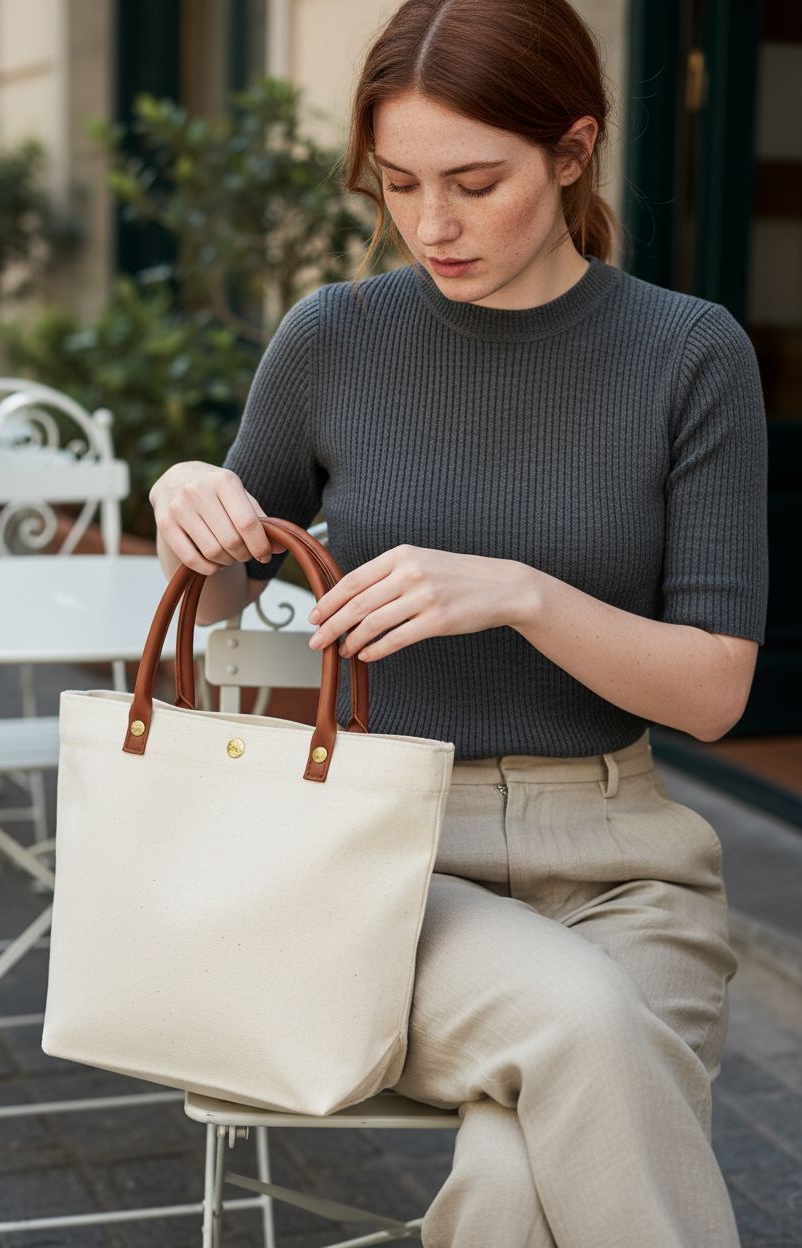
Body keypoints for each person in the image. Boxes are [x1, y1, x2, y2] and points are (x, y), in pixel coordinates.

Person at [150, 1, 768, 1243]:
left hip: (624, 874)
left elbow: (713, 691)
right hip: (384, 865)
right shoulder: (334, 337)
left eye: (475, 182)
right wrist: (187, 511)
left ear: (572, 151)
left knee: (506, 1183)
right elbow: (218, 599)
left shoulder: (689, 355)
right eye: (399, 185)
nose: (433, 224)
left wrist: (522, 594)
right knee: (587, 1028)